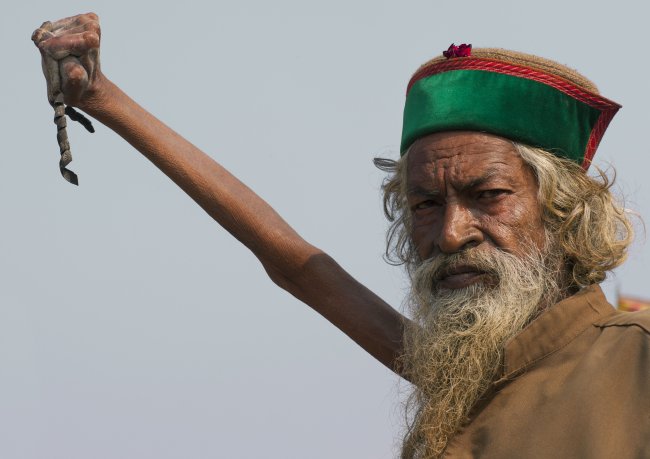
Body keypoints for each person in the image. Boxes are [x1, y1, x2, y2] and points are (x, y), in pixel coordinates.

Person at [32, 13, 650, 459]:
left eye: (488, 197)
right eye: (425, 205)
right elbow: (300, 267)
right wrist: (105, 98)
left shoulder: (633, 358)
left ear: (567, 212)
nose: (453, 233)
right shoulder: (459, 378)